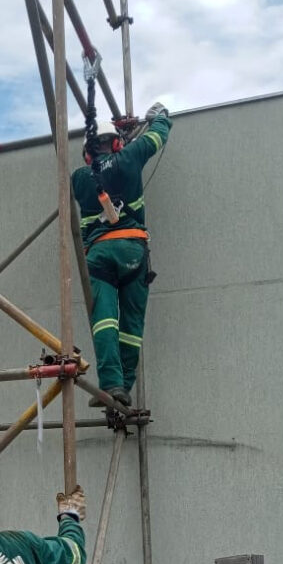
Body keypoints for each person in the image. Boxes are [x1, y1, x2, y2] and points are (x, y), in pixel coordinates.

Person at [72, 102, 173, 407]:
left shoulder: (79, 178)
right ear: (116, 143)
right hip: (133, 250)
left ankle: (112, 383)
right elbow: (157, 136)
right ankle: (124, 388)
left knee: (104, 320)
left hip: (100, 254)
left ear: (88, 153)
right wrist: (160, 118)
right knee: (131, 326)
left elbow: (101, 168)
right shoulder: (129, 157)